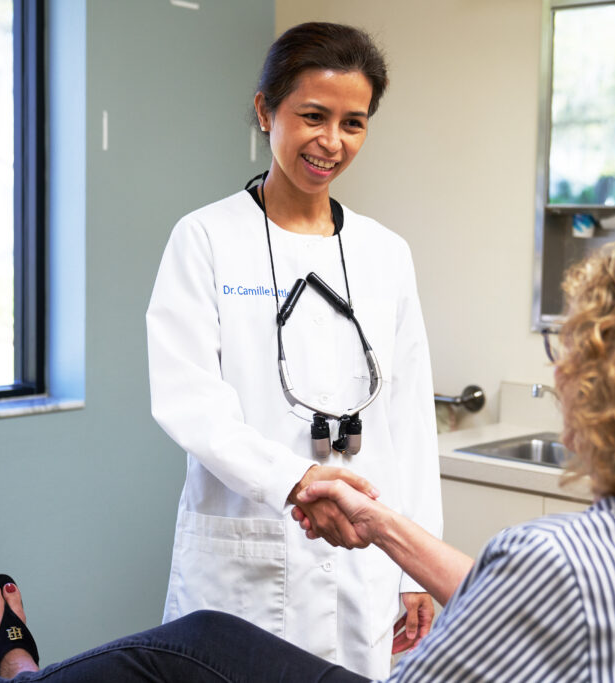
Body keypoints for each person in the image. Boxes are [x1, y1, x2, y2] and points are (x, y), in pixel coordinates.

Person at [0, 234, 615, 683]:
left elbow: (516, 607)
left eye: (575, 351)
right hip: (313, 533)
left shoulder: (560, 562)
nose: (561, 369)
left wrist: (398, 583)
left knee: (186, 653)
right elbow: (535, 601)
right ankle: (20, 682)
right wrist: (386, 530)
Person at [144, 21, 442, 678]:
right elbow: (190, 401)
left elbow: (408, 416)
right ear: (264, 110)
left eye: (353, 122)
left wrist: (414, 564)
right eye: (313, 115)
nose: (332, 142)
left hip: (362, 556)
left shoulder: (385, 253)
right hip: (246, 552)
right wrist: (295, 479)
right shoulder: (206, 238)